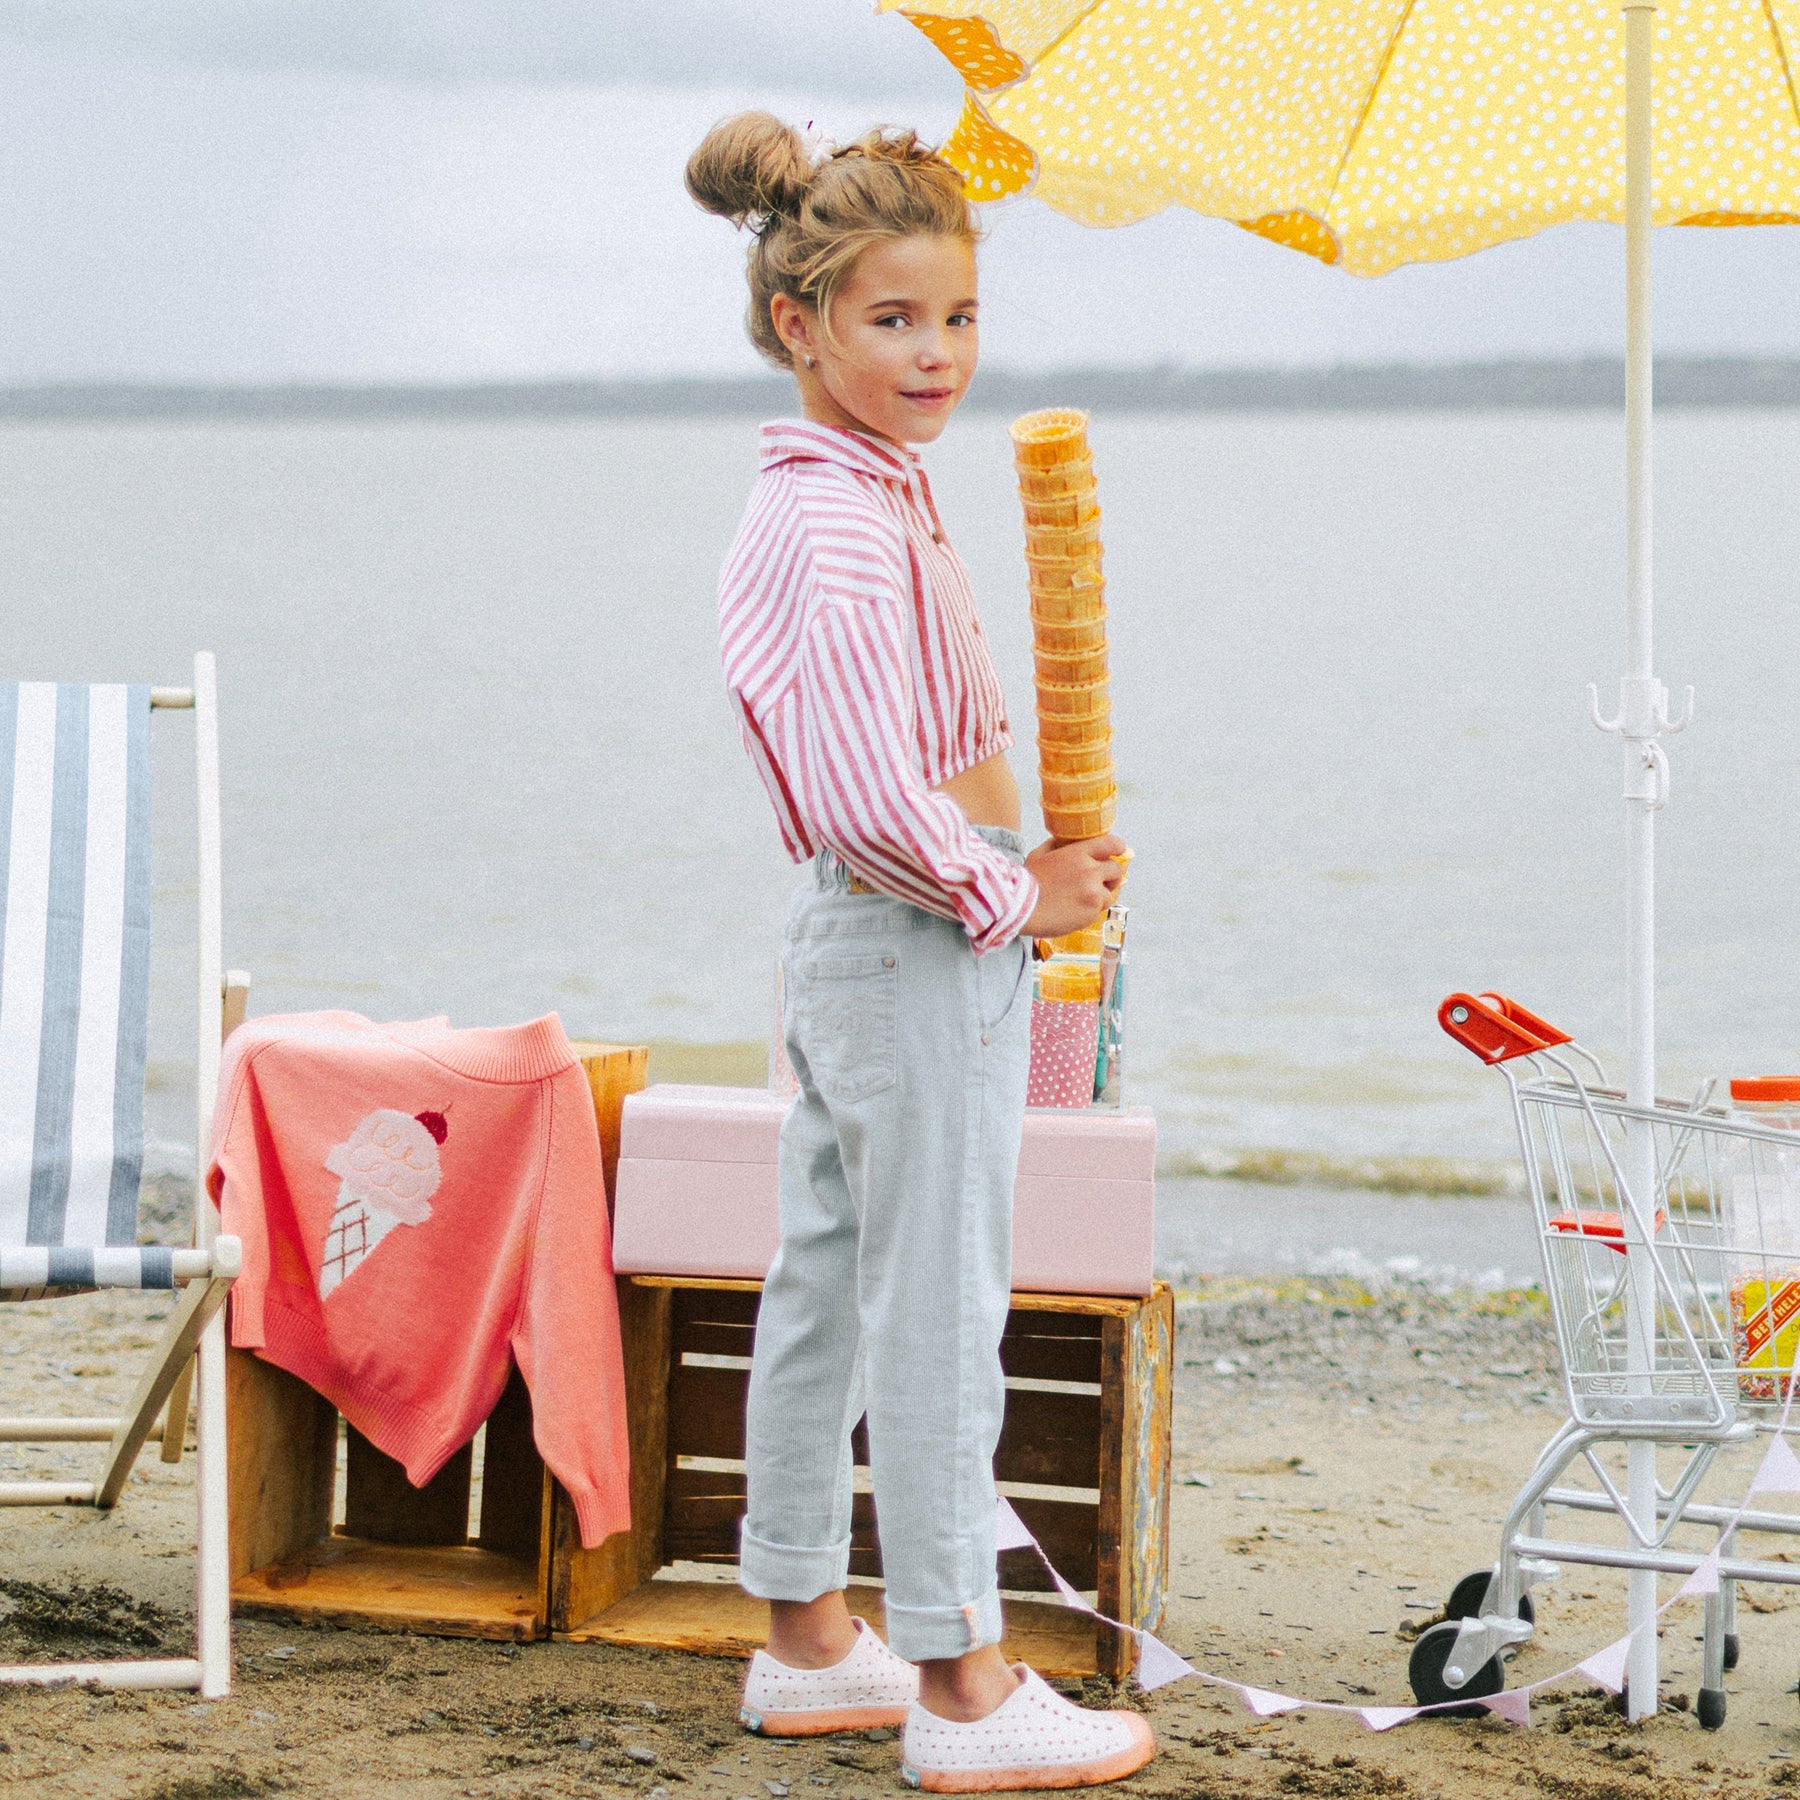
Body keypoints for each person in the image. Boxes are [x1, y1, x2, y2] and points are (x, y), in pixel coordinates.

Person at [685, 113, 1153, 1792]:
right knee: (940, 1300)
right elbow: (864, 788)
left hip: (875, 943)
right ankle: (962, 1678)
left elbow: (905, 757)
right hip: (904, 936)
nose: (936, 353)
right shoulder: (828, 525)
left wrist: (1022, 870)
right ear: (800, 324)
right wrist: (1017, 893)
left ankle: (810, 1636)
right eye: (893, 320)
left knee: (825, 1275)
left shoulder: (872, 493)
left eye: (956, 317)